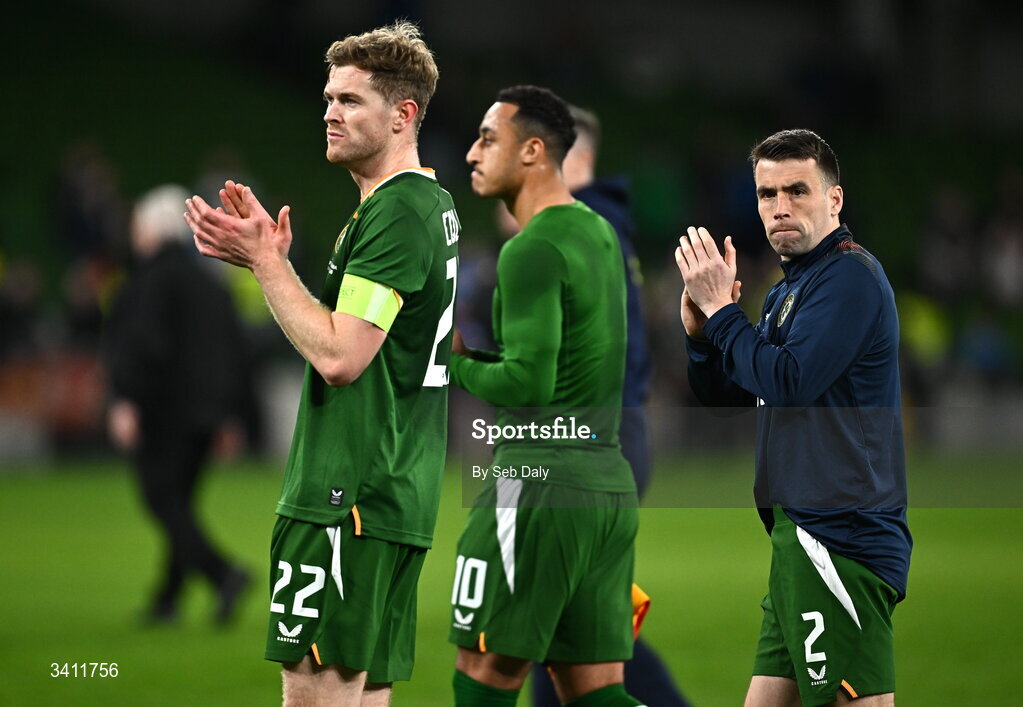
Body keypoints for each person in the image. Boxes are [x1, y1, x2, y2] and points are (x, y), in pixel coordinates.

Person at [184, 22, 459, 706]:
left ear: (403, 115)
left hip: (348, 493)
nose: (330, 112)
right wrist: (275, 261)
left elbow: (341, 354)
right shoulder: (430, 205)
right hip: (395, 492)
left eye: (350, 100)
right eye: (328, 98)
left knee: (317, 692)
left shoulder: (394, 215)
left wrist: (267, 265)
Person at [676, 129, 911, 706]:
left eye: (797, 190)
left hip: (839, 540)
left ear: (834, 199)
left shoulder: (849, 278)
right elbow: (737, 397)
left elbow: (789, 382)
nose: (780, 207)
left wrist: (727, 314)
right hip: (800, 538)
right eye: (766, 194)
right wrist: (705, 337)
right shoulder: (792, 289)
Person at [449, 85, 643, 707]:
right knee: (593, 691)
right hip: (605, 485)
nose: (473, 154)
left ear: (533, 151)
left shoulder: (528, 249)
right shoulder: (599, 233)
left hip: (537, 479)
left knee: (482, 669)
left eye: (487, 139)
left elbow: (528, 385)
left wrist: (451, 364)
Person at [527, 105, 690, 707]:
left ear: (581, 161)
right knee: (573, 616)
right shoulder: (607, 229)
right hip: (613, 435)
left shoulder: (584, 227)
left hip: (595, 440)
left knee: (557, 616)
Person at [105, 184, 250, 626]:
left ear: (150, 230)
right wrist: (232, 415)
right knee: (180, 504)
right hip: (206, 415)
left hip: (164, 412)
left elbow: (142, 347)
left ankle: (224, 574)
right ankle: (167, 599)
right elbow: (235, 350)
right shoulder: (210, 283)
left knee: (163, 501)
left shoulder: (148, 281)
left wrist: (126, 399)